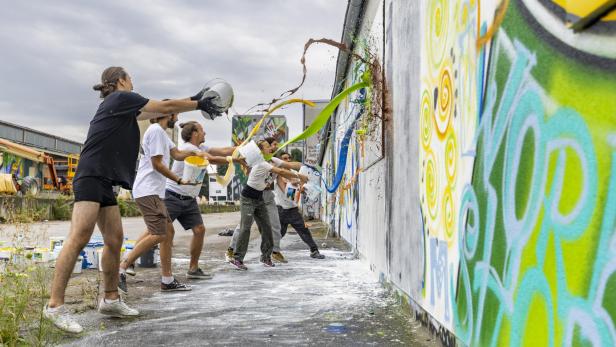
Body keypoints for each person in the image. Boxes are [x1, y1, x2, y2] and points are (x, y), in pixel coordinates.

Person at [44, 66, 222, 333]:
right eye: (131, 79)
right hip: (91, 174)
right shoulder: (119, 98)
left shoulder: (124, 107)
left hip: (105, 180)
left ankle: (111, 299)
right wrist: (198, 103)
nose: (133, 82)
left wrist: (193, 98)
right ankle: (55, 306)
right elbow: (164, 105)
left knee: (114, 239)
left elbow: (160, 109)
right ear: (121, 81)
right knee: (79, 236)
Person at [124, 121, 242, 280]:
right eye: (202, 130)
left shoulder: (201, 148)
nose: (205, 133)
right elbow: (212, 159)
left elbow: (222, 150)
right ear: (194, 133)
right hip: (173, 195)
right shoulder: (188, 149)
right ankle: (129, 259)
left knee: (199, 230)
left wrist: (242, 148)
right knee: (155, 231)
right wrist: (236, 159)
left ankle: (193, 269)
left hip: (189, 198)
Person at [118, 115, 213, 293]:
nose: (176, 118)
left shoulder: (162, 134)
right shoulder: (155, 131)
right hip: (148, 190)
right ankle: (123, 265)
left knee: (167, 233)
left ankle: (167, 280)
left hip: (155, 191)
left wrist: (195, 152)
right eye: (175, 114)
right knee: (159, 234)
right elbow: (157, 164)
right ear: (166, 114)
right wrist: (179, 179)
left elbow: (177, 154)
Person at [229, 139, 308, 270]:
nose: (271, 148)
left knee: (267, 227)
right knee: (245, 228)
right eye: (267, 147)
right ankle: (237, 258)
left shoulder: (274, 160)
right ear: (260, 151)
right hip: (248, 197)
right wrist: (300, 177)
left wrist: (305, 168)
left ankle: (266, 256)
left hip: (259, 198)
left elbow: (290, 166)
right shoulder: (261, 163)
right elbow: (281, 172)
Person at [275, 152, 325, 259]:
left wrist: (305, 189)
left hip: (292, 209)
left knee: (303, 230)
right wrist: (293, 185)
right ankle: (268, 252)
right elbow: (287, 194)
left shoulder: (294, 172)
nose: (287, 160)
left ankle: (314, 250)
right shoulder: (278, 175)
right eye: (284, 158)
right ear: (280, 161)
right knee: (279, 233)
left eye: (289, 158)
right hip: (281, 209)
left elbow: (301, 189)